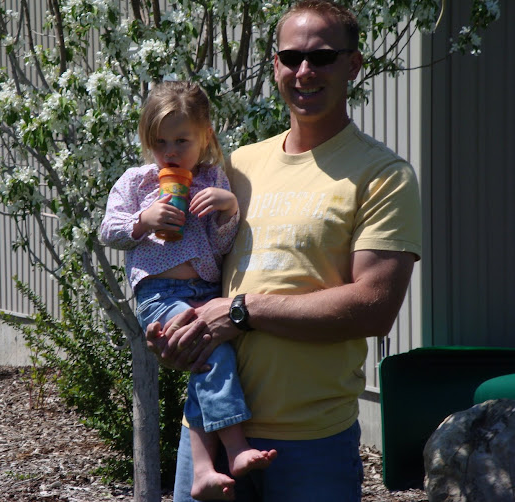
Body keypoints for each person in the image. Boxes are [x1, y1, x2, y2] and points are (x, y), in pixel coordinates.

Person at [146, 2, 423, 501]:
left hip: (313, 443)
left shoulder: (384, 175)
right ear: (274, 64)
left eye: (322, 58)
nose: (304, 72)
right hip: (213, 434)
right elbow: (195, 278)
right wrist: (178, 336)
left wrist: (241, 311)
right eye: (291, 57)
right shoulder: (238, 167)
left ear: (354, 65)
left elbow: (376, 306)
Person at [99, 81, 277, 501]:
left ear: (205, 138)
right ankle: (234, 449)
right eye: (161, 142)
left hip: (205, 292)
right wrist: (143, 220)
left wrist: (227, 208)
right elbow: (109, 230)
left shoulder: (214, 180)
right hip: (158, 296)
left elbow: (221, 246)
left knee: (207, 360)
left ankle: (202, 471)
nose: (171, 152)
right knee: (212, 352)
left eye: (182, 140)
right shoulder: (137, 182)